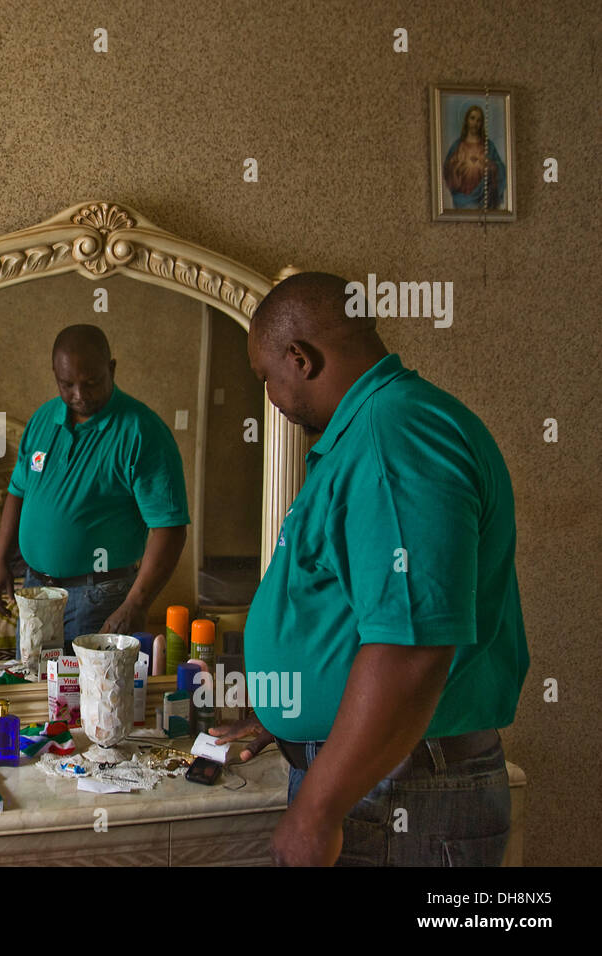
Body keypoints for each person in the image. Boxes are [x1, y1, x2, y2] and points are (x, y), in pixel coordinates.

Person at [211, 271, 529, 866]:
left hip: (400, 796)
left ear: (299, 359)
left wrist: (317, 811)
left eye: (266, 380)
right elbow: (352, 613)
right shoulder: (370, 433)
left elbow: (411, 647)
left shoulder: (393, 438)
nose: (271, 399)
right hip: (382, 780)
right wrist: (290, 713)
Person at [0, 324, 189, 651]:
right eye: (67, 384)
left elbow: (170, 529)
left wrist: (136, 604)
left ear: (111, 369)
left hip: (98, 598)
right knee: (36, 691)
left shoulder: (141, 432)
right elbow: (18, 492)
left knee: (90, 700)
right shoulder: (43, 419)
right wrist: (1, 562)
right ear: (55, 375)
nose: (79, 395)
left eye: (92, 382)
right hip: (36, 590)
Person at [443, 104, 506, 210]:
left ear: (481, 124)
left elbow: (501, 169)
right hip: (462, 198)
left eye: (479, 120)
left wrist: (489, 164)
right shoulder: (457, 146)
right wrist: (458, 164)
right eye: (472, 118)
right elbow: (447, 169)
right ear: (467, 120)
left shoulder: (489, 146)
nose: (475, 123)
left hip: (483, 198)